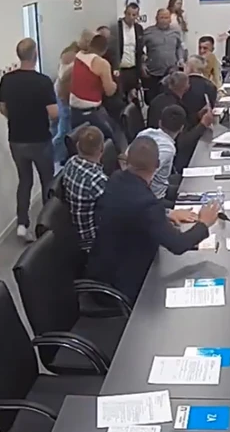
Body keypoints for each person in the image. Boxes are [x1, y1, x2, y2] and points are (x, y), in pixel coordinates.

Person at [85, 136, 220, 302]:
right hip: (120, 286)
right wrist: (204, 224)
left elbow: (132, 208)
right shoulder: (147, 205)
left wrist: (167, 213)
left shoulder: (116, 179)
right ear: (157, 165)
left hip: (104, 269)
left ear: (127, 160)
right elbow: (177, 245)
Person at [0, 38, 58, 242]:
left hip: (16, 139)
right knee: (48, 181)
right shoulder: (43, 81)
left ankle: (22, 224)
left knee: (24, 181)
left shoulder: (7, 80)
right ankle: (47, 225)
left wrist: (16, 118)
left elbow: (3, 108)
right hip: (40, 139)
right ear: (35, 55)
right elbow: (54, 113)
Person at [147, 72, 216, 173]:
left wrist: (197, 116)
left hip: (153, 146)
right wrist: (203, 125)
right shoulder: (174, 109)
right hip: (173, 157)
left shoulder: (159, 100)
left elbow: (184, 121)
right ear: (186, 87)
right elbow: (182, 143)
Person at [69, 34, 123, 147]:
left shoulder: (78, 56)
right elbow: (109, 91)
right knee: (113, 138)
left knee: (80, 145)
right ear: (105, 50)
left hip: (74, 111)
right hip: (92, 112)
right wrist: (114, 83)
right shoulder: (102, 63)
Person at [61, 127, 107, 252]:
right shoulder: (97, 180)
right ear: (102, 149)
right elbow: (116, 209)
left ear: (77, 146)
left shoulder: (70, 163)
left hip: (75, 232)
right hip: (92, 241)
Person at [136, 105, 187, 202]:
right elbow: (145, 178)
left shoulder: (145, 133)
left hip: (160, 187)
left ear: (160, 123)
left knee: (188, 185)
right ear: (182, 128)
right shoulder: (167, 149)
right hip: (154, 198)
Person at [143, 8, 185, 103]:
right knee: (152, 100)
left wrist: (181, 59)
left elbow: (179, 47)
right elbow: (139, 49)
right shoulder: (148, 32)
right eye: (161, 18)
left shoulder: (176, 32)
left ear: (170, 19)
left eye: (166, 18)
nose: (164, 20)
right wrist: (143, 63)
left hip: (171, 72)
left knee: (170, 100)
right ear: (156, 18)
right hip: (153, 72)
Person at [52, 42, 79, 165]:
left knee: (58, 128)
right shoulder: (73, 57)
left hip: (59, 94)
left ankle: (56, 155)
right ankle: (55, 156)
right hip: (63, 96)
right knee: (64, 130)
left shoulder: (67, 53)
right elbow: (64, 79)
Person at [116, 3, 145, 101]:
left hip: (133, 70)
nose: (131, 17)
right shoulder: (117, 27)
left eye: (134, 15)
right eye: (128, 14)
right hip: (120, 69)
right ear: (124, 13)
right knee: (120, 98)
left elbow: (139, 48)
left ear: (137, 16)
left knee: (133, 98)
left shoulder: (138, 28)